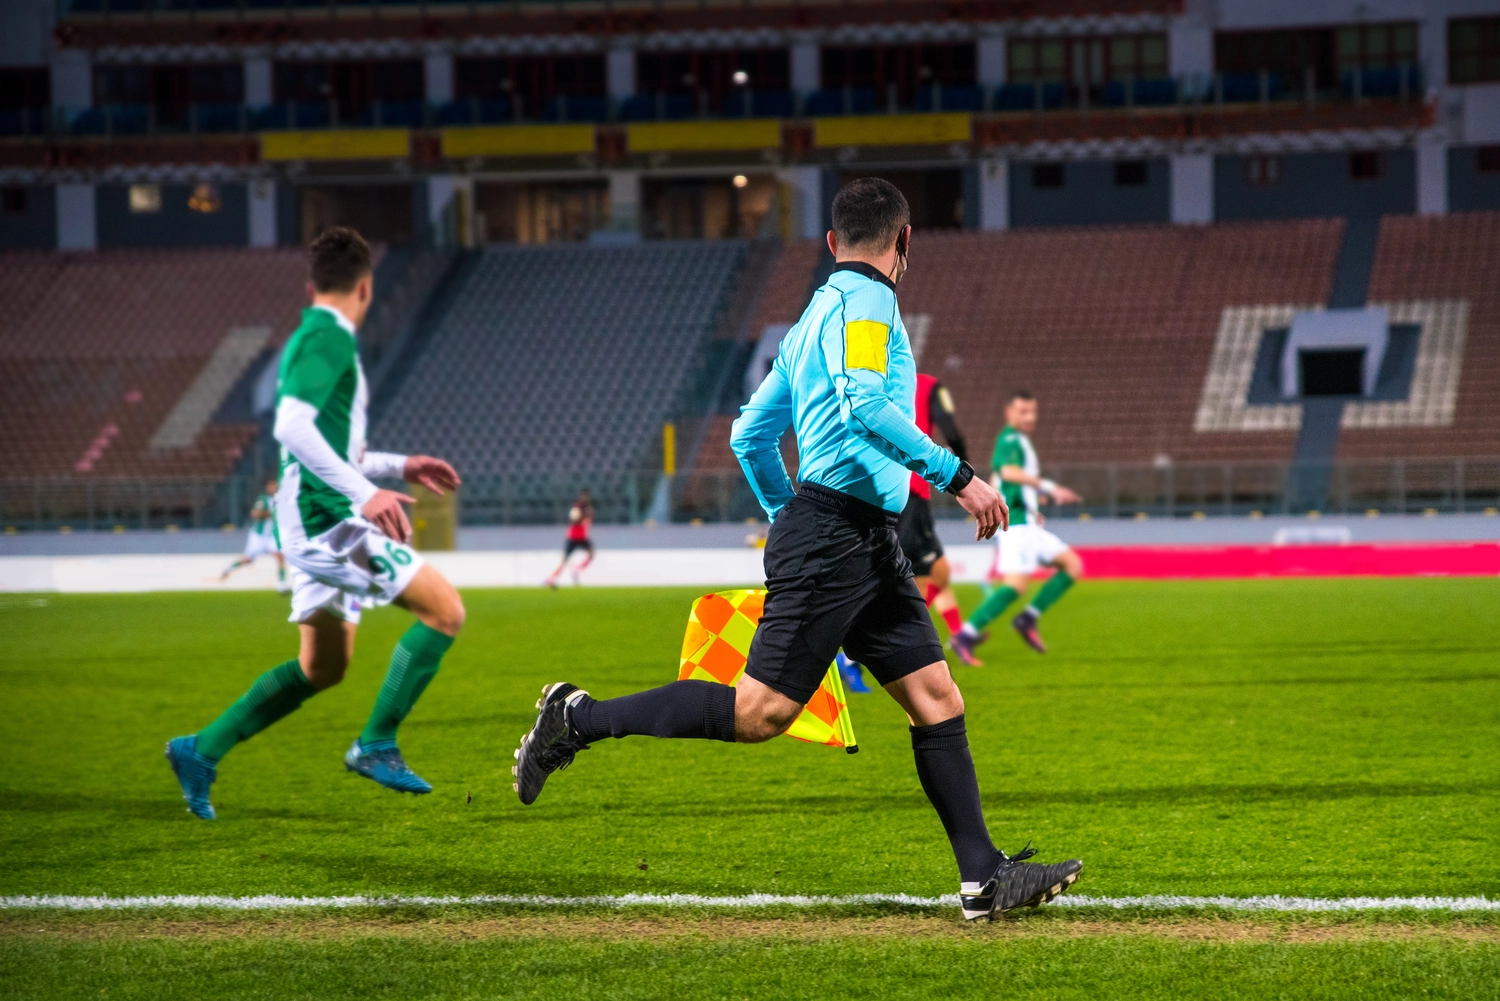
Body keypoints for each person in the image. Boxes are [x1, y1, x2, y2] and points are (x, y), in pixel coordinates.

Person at [509, 179, 1082, 921]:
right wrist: (958, 477)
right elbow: (866, 404)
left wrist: (787, 512)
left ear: (832, 242)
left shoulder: (812, 318)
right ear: (905, 241)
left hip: (861, 539)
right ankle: (575, 718)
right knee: (761, 711)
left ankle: (983, 877)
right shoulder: (870, 302)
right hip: (838, 536)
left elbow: (750, 434)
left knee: (936, 696)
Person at [165, 227, 466, 820]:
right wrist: (367, 492)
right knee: (445, 610)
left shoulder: (315, 337)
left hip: (314, 516)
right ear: (366, 287)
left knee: (322, 667)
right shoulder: (329, 338)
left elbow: (326, 445)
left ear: (311, 287)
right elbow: (291, 429)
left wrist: (398, 465)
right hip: (326, 522)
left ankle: (201, 749)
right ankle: (376, 743)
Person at [950, 392, 1083, 664]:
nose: (1029, 417)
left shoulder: (1019, 442)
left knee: (1072, 566)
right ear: (1009, 414)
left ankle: (1027, 618)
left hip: (1029, 523)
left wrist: (1033, 505)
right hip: (1017, 529)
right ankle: (965, 635)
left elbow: (1004, 480)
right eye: (1023, 411)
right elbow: (1009, 473)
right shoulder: (1009, 439)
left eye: (1032, 411)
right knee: (1015, 586)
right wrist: (1048, 487)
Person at [898, 373, 975, 662]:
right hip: (911, 494)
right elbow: (952, 433)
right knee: (915, 580)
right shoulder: (928, 385)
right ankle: (885, 653)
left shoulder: (874, 383)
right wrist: (965, 477)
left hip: (884, 491)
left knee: (939, 571)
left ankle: (959, 635)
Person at [219, 478, 289, 594]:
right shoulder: (263, 499)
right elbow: (255, 514)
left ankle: (282, 586)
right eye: (270, 486)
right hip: (259, 536)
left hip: (272, 536)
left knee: (280, 556)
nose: (272, 488)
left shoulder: (281, 500)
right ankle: (228, 567)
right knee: (248, 559)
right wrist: (271, 514)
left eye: (274, 486)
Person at [545, 489, 594, 588]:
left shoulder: (588, 508)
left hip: (583, 536)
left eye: (586, 496)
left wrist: (587, 519)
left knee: (591, 554)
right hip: (573, 537)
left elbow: (588, 521)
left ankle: (576, 569)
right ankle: (550, 579)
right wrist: (582, 519)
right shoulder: (577, 507)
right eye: (583, 496)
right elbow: (573, 520)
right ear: (581, 497)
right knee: (564, 561)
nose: (585, 498)